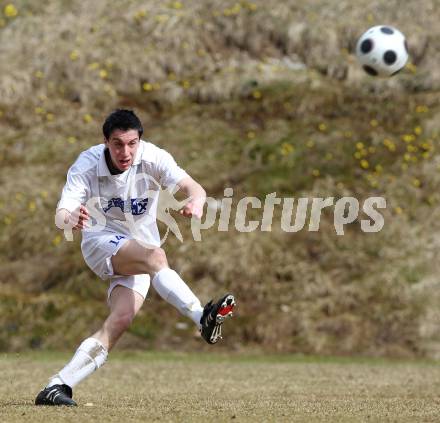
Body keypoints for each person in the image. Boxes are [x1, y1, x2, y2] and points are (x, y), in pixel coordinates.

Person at [35, 109, 236, 406]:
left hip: (140, 247)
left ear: (140, 141)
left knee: (121, 319)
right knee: (156, 257)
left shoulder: (154, 157)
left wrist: (197, 201)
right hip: (101, 240)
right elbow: (61, 213)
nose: (125, 151)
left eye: (131, 143)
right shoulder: (87, 164)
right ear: (105, 142)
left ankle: (58, 385)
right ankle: (201, 316)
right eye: (117, 144)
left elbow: (195, 188)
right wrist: (71, 218)